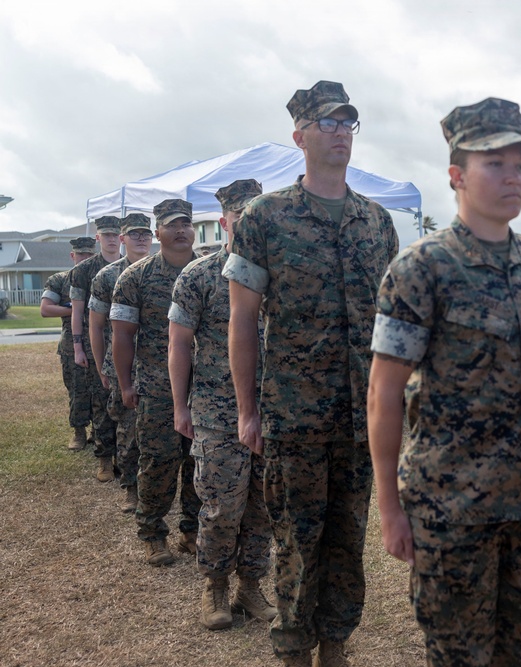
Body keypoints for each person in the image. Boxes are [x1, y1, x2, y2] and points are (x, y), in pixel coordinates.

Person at [368, 97, 521, 666]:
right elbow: (384, 395)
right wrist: (390, 508)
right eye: (496, 164)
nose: (514, 178)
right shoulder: (421, 268)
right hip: (453, 511)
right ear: (457, 175)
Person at [223, 80, 398, 667]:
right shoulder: (264, 216)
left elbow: (392, 325)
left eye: (348, 122)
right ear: (299, 136)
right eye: (328, 123)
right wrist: (248, 410)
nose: (341, 131)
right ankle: (295, 648)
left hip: (361, 416)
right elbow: (242, 322)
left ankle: (337, 645)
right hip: (293, 415)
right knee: (297, 540)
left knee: (349, 537)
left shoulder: (376, 223)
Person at [168, 179, 276, 631]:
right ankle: (215, 585)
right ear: (224, 221)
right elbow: (177, 345)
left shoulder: (280, 273)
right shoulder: (198, 276)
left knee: (262, 506)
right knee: (219, 506)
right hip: (217, 414)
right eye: (240, 216)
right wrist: (180, 407)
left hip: (272, 411)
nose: (248, 223)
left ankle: (250, 586)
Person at [111, 199, 200, 567]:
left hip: (205, 387)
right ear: (158, 231)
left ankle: (192, 531)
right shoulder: (136, 277)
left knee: (199, 463)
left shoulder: (209, 269)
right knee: (159, 460)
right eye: (171, 224)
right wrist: (125, 384)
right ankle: (152, 532)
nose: (180, 230)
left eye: (186, 224)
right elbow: (122, 336)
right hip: (156, 387)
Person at [88, 213, 153, 513]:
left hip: (163, 366)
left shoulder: (171, 269)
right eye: (134, 233)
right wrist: (102, 365)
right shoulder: (107, 277)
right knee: (129, 430)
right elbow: (96, 324)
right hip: (124, 366)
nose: (141, 238)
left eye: (145, 233)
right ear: (122, 239)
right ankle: (131, 488)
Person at [69, 216, 121, 481]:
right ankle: (104, 460)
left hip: (129, 347)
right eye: (106, 234)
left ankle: (123, 458)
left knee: (126, 407)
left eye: (116, 234)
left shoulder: (133, 265)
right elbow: (77, 313)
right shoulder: (83, 270)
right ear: (98, 237)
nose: (111, 239)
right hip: (97, 344)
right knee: (101, 404)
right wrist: (78, 347)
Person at [41, 237, 96, 450]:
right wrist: (75, 310)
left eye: (89, 255)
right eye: (81, 254)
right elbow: (46, 309)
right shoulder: (61, 280)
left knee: (101, 391)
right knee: (77, 390)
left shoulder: (101, 277)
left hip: (101, 343)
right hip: (71, 345)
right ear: (72, 255)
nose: (85, 258)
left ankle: (97, 431)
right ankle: (79, 432)